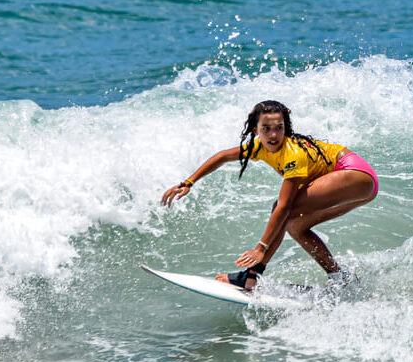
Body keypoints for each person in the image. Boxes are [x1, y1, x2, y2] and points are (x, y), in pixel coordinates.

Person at [161, 100, 378, 291]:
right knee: (295, 226)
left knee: (283, 209)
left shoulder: (293, 154)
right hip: (361, 187)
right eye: (266, 128)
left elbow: (284, 206)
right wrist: (188, 182)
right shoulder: (259, 147)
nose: (273, 135)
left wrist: (260, 248)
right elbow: (223, 156)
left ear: (286, 128)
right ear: (256, 130)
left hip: (356, 175)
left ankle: (252, 276)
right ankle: (339, 277)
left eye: (279, 128)